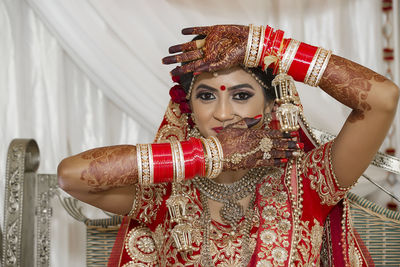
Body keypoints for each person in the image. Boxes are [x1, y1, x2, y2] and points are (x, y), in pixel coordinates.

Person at [57, 24, 399, 266]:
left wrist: (268, 47)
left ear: (270, 105)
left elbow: (382, 98)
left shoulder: (308, 181)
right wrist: (211, 155)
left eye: (241, 95)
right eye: (206, 96)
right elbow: (72, 175)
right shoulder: (167, 195)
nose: (222, 113)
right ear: (189, 107)